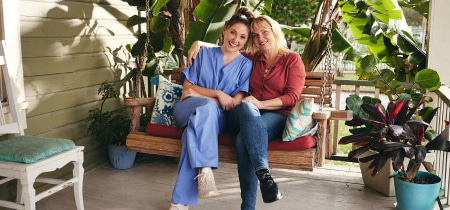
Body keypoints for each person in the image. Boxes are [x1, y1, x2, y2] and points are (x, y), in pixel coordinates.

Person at [188, 15, 306, 210]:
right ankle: (264, 174)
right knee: (245, 106)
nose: (260, 38)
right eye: (255, 34)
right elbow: (229, 46)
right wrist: (199, 42)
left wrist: (261, 104)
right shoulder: (253, 58)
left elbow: (292, 97)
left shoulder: (291, 60)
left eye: (265, 32)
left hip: (276, 116)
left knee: (243, 140)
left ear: (274, 31)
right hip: (243, 113)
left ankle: (252, 200)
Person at [169, 7, 255, 210]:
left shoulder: (246, 65)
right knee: (206, 106)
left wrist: (203, 94)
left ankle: (180, 202)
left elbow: (233, 103)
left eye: (242, 37)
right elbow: (187, 89)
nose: (236, 39)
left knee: (192, 132)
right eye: (233, 32)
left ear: (246, 41)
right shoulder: (203, 53)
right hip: (186, 109)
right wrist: (217, 94)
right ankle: (205, 167)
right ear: (224, 29)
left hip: (216, 119)